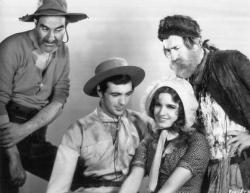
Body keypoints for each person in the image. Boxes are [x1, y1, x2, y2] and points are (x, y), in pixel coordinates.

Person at [0, 0, 87, 192]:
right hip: (5, 130)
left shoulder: (63, 52)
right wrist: (13, 156)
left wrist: (26, 129)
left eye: (58, 30)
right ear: (36, 23)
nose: (51, 37)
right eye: (45, 28)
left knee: (87, 174)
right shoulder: (11, 47)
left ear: (66, 27)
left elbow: (60, 98)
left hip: (34, 134)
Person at [157, 14, 250, 192]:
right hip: (212, 174)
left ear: (196, 42)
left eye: (176, 48)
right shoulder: (183, 83)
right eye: (167, 51)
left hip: (244, 169)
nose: (172, 57)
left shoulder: (230, 61)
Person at [46, 57, 150, 193]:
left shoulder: (141, 123)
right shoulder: (78, 130)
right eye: (115, 94)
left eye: (128, 94)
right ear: (100, 91)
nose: (123, 102)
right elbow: (58, 187)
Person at [119, 76, 210, 193]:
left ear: (182, 110)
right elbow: (133, 179)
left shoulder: (197, 142)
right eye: (158, 105)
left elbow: (168, 189)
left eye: (170, 107)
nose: (162, 112)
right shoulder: (148, 141)